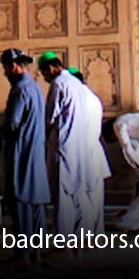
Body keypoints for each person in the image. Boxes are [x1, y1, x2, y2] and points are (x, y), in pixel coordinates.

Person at [0, 48, 49, 267]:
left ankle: (23, 254)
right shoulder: (36, 88)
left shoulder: (19, 89)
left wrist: (2, 131)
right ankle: (37, 253)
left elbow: (13, 122)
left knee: (20, 202)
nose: (5, 73)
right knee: (36, 202)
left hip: (22, 152)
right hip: (36, 152)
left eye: (5, 68)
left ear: (13, 66)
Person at [38, 51, 85, 238]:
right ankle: (79, 240)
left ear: (50, 68)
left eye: (44, 74)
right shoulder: (77, 84)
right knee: (77, 196)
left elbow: (49, 117)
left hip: (63, 147)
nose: (45, 78)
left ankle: (63, 242)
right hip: (79, 147)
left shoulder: (59, 84)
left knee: (62, 198)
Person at [72, 70, 111, 234]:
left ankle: (84, 236)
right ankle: (95, 235)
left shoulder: (77, 98)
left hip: (82, 153)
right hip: (94, 151)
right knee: (95, 197)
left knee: (83, 199)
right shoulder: (93, 98)